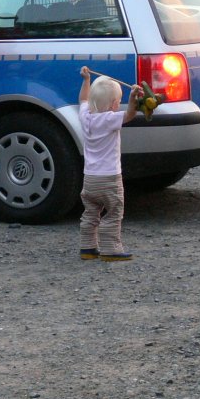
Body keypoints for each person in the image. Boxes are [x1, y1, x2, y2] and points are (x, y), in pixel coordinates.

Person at [77, 66, 140, 262]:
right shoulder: (109, 119)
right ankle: (111, 248)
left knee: (90, 212)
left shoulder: (85, 117)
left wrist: (86, 80)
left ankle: (87, 247)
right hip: (110, 178)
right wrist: (133, 98)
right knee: (114, 211)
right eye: (119, 102)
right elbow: (130, 115)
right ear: (114, 105)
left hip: (90, 179)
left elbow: (83, 100)